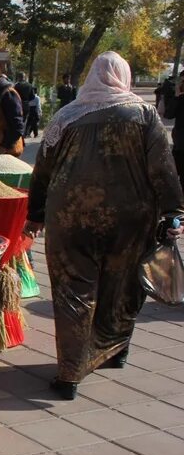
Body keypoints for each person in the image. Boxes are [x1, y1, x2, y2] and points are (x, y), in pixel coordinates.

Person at [25, 52, 184, 400]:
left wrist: (35, 213)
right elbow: (163, 170)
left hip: (70, 220)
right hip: (130, 221)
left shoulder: (67, 117)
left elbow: (43, 171)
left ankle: (69, 374)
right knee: (122, 286)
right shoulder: (144, 115)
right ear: (124, 76)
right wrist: (174, 212)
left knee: (72, 293)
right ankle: (114, 349)